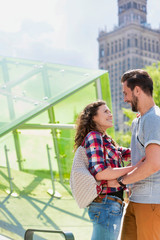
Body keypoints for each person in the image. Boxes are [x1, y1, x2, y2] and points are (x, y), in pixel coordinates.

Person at [74, 100, 142, 240]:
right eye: (105, 111)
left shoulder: (107, 140)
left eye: (110, 111)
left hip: (110, 204)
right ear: (93, 117)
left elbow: (132, 153)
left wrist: (140, 127)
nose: (110, 114)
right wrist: (135, 167)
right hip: (105, 204)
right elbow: (101, 173)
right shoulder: (94, 136)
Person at [118, 69, 160, 240]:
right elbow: (138, 160)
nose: (125, 99)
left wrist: (122, 181)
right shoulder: (138, 121)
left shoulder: (154, 118)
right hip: (135, 199)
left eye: (126, 93)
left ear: (137, 90)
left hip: (152, 201)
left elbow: (153, 164)